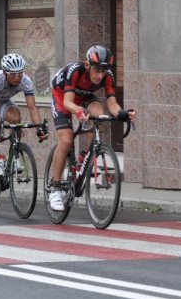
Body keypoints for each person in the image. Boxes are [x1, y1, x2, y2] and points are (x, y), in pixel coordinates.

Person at [48, 45, 136, 211]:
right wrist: (78, 110)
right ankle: (55, 188)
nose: (100, 75)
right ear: (87, 65)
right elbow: (68, 102)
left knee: (99, 114)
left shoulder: (107, 76)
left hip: (85, 96)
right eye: (96, 70)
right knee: (66, 140)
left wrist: (122, 114)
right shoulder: (75, 71)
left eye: (104, 70)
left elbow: (111, 103)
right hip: (63, 96)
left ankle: (84, 156)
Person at [0, 53, 48, 201]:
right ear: (5, 72)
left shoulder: (26, 81)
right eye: (13, 74)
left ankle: (13, 155)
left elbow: (32, 107)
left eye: (20, 73)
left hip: (3, 102)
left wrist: (39, 128)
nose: (17, 77)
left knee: (16, 117)